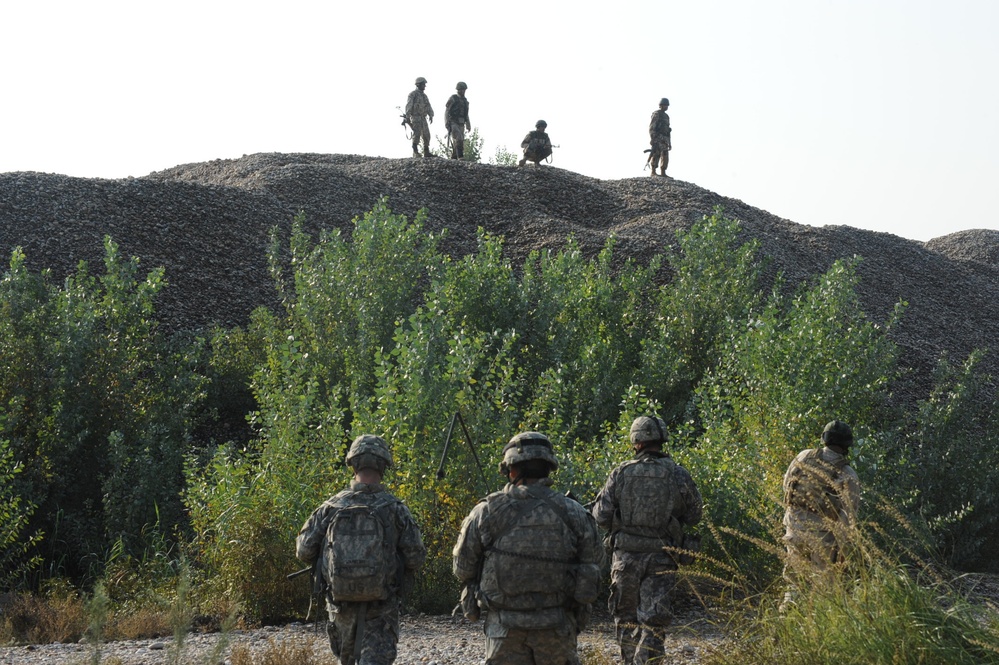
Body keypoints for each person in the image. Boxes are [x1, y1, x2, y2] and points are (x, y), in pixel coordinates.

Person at [453, 431, 604, 665]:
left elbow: (462, 568)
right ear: (548, 467)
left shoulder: (486, 512)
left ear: (511, 469)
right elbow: (594, 562)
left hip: (504, 630)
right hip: (557, 628)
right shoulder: (573, 512)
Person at [296, 435, 426, 665]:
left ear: (353, 465)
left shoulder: (331, 507)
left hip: (340, 606)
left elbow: (304, 551)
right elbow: (415, 557)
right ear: (383, 466)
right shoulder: (395, 509)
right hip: (381, 607)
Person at [591, 416, 703, 665]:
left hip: (625, 558)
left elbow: (600, 516)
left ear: (636, 441)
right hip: (662, 558)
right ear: (661, 440)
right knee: (654, 621)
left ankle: (630, 661)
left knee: (626, 618)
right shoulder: (677, 474)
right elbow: (695, 515)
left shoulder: (621, 472)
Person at [781, 420, 861, 607]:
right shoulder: (848, 473)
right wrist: (844, 552)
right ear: (847, 445)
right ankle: (816, 629)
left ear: (824, 439)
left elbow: (787, 488)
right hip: (822, 538)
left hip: (793, 529)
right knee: (825, 590)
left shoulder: (803, 456)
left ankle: (786, 621)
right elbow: (847, 519)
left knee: (794, 583)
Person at [405, 77, 435, 158]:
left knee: (426, 135)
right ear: (418, 85)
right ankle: (415, 152)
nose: (424, 86)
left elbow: (428, 106)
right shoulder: (412, 94)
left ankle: (426, 152)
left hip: (423, 117)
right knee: (417, 134)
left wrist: (431, 115)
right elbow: (409, 105)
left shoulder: (424, 96)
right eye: (423, 84)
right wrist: (407, 116)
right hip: (415, 117)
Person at [445, 82, 472, 160]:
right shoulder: (453, 98)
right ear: (458, 90)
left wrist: (468, 124)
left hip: (461, 122)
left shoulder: (465, 101)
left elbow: (466, 114)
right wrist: (446, 122)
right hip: (453, 122)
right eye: (462, 90)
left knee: (459, 141)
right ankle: (460, 156)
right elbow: (447, 111)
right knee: (458, 138)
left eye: (464, 90)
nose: (463, 91)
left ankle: (454, 157)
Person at [648, 98, 672, 177]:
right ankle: (653, 171)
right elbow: (652, 127)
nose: (666, 107)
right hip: (657, 137)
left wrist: (669, 142)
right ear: (661, 105)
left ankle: (663, 172)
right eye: (665, 105)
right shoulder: (657, 114)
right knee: (656, 154)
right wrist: (652, 138)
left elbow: (668, 130)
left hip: (664, 139)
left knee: (665, 155)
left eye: (667, 105)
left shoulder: (666, 116)